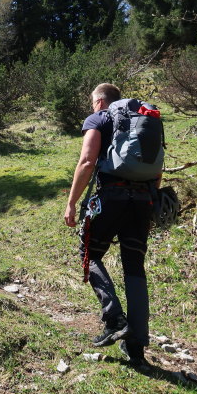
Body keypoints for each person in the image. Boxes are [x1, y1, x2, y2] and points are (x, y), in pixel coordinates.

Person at [64, 83, 159, 366]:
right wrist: (149, 202)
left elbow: (86, 161)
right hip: (143, 200)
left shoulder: (100, 118)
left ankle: (115, 318)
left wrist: (71, 203)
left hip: (112, 196)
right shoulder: (144, 121)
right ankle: (137, 347)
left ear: (100, 101)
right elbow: (156, 170)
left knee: (89, 253)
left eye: (92, 103)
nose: (92, 107)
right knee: (134, 267)